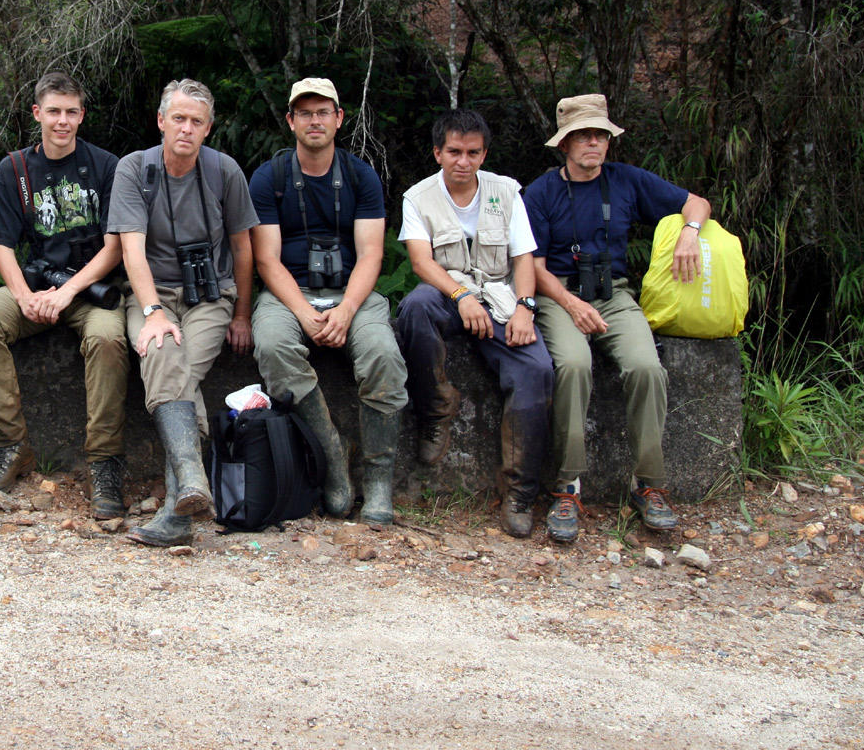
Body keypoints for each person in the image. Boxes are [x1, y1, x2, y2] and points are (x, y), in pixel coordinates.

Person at [524, 94, 711, 542]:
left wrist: (689, 233)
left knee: (647, 367)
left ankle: (648, 483)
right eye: (584, 135)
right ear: (564, 144)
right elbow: (531, 264)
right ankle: (567, 486)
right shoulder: (541, 192)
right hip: (560, 296)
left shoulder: (626, 181)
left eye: (600, 135)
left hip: (615, 295)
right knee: (572, 365)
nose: (594, 143)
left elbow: (697, 203)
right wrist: (571, 304)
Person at [0, 72, 129, 517]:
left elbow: (116, 245)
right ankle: (10, 446)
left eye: (71, 112)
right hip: (37, 287)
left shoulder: (106, 166)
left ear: (82, 115)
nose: (63, 121)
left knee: (108, 339)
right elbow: (2, 243)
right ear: (36, 113)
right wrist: (22, 296)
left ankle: (104, 463)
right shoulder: (14, 170)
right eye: (53, 111)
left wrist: (67, 292)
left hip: (94, 289)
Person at [249, 78, 408, 524]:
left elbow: (372, 252)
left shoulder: (360, 176)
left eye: (324, 112)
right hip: (289, 293)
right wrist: (304, 310)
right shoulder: (270, 177)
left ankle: (378, 481)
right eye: (305, 113)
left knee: (382, 354)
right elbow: (266, 258)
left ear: (339, 119)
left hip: (351, 291)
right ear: (290, 121)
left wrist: (346, 311)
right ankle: (332, 459)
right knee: (276, 346)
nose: (314, 120)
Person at [107, 78, 258, 546]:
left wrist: (242, 316)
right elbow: (131, 251)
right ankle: (191, 483)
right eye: (178, 118)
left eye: (196, 121)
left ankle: (180, 505)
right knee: (160, 350)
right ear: (161, 121)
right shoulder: (134, 169)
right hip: (153, 291)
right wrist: (152, 310)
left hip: (211, 295)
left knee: (181, 368)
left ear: (208, 128)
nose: (186, 129)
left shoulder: (224, 171)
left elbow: (243, 248)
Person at [395, 108, 553, 537]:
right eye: (454, 152)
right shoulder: (419, 197)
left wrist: (525, 307)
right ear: (437, 153)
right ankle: (436, 406)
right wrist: (461, 295)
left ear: (484, 154)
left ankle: (519, 490)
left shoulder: (506, 192)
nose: (463, 161)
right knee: (414, 309)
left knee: (537, 368)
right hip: (450, 295)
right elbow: (420, 261)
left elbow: (523, 257)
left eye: (472, 153)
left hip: (500, 298)